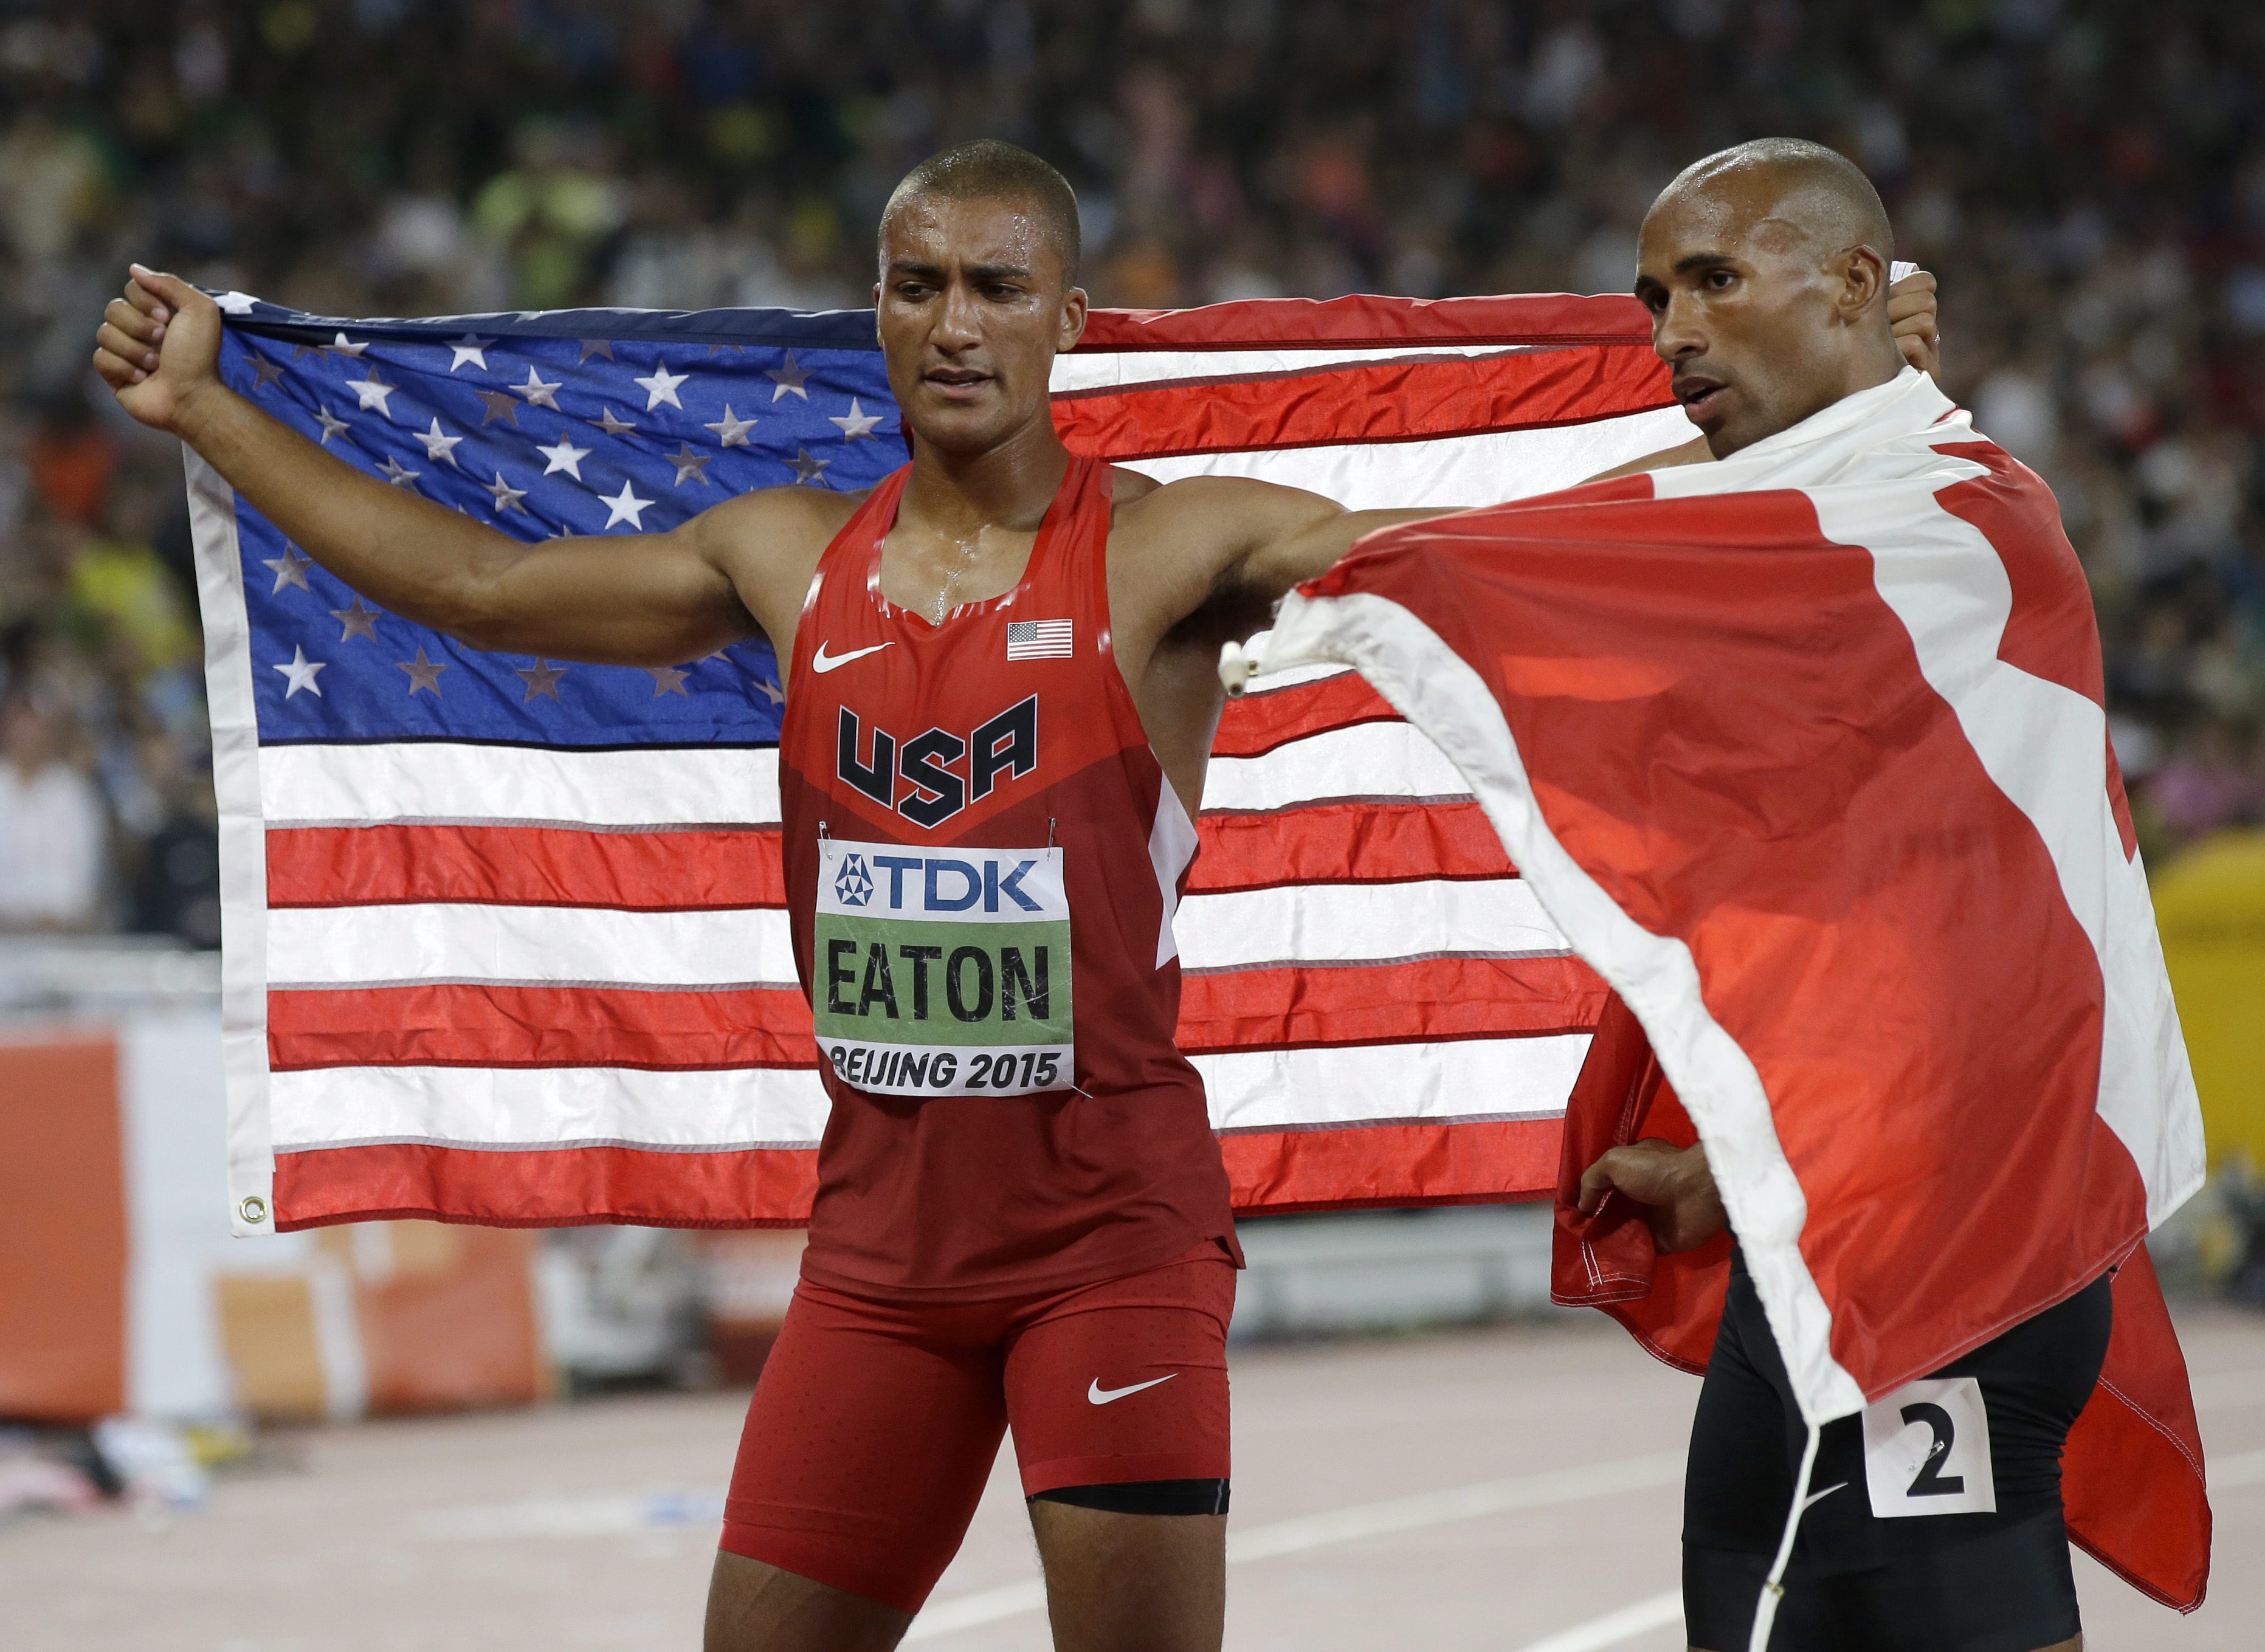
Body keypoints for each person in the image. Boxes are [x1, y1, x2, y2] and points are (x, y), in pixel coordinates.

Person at [95, 140, 1936, 1652]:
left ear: (1067, 318)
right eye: (916, 285)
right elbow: (488, 594)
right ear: (878, 315)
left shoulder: (1164, 549)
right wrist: (207, 416)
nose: (951, 322)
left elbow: (1490, 558)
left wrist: (1830, 417)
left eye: (993, 286)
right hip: (877, 1263)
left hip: (1106, 1248)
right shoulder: (780, 554)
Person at [1575, 139, 2098, 1652]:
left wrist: (1871, 402)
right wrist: (1732, 1180)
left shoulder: (1952, 524)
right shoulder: (1858, 504)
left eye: (1715, 284)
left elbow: (1592, 546)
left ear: (1854, 286)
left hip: (1950, 1266)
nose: (1672, 332)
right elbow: (1879, 959)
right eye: (1658, 296)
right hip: (1813, 1251)